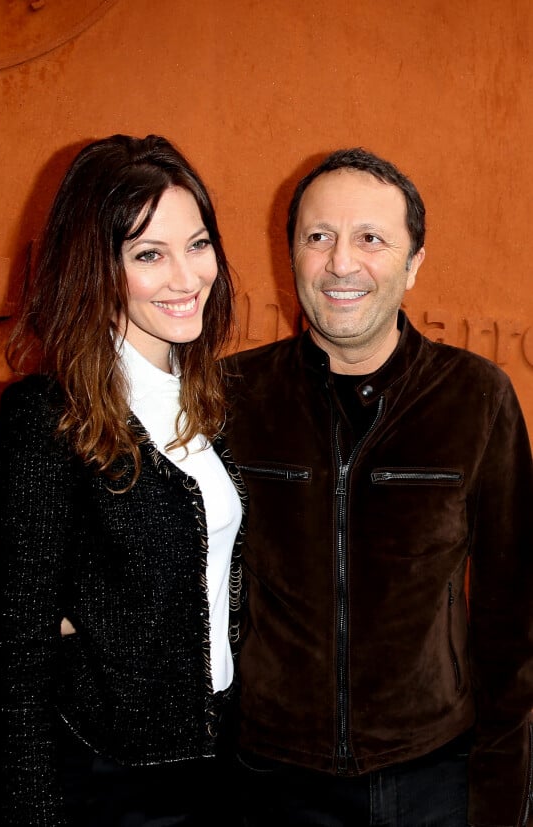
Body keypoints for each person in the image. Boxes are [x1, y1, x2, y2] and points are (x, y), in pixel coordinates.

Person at [222, 147, 533, 827]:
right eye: (318, 237)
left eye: (370, 238)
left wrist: (506, 799)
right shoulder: (232, 396)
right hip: (267, 781)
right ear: (291, 255)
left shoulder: (477, 397)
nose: (340, 262)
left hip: (432, 780)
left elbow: (513, 622)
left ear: (414, 262)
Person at [0, 134, 246, 826]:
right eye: (148, 254)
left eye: (197, 244)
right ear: (95, 266)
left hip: (221, 760)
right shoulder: (47, 419)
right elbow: (18, 654)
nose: (186, 277)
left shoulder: (211, 398)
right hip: (108, 781)